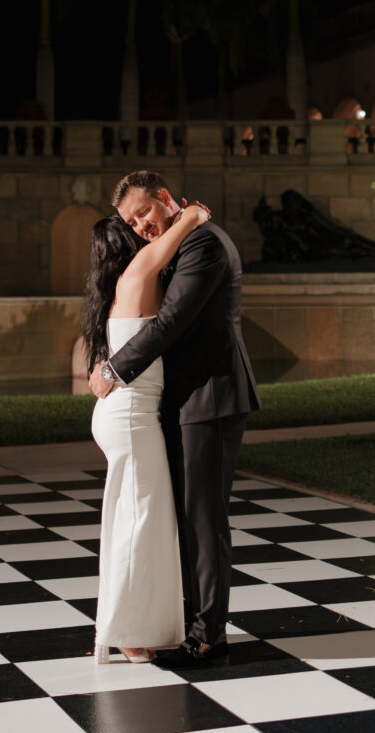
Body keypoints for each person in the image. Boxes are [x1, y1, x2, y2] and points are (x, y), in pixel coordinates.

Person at [89, 171, 260, 669]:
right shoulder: (181, 239)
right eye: (131, 221)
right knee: (187, 517)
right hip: (185, 400)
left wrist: (116, 368)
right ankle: (189, 623)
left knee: (204, 519)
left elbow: (170, 323)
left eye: (144, 211)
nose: (141, 224)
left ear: (165, 198)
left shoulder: (203, 243)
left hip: (211, 397)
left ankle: (209, 637)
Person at [84, 201, 211, 663]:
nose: (143, 231)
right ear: (127, 245)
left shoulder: (125, 284)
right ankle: (127, 632)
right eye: (133, 226)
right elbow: (170, 240)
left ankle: (127, 625)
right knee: (139, 525)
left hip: (126, 416)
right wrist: (192, 215)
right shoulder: (138, 270)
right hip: (132, 418)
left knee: (134, 523)